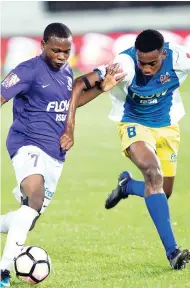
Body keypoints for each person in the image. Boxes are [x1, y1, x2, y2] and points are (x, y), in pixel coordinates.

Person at [0, 22, 125, 287]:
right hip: (27, 143)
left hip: (55, 154)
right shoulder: (28, 71)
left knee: (27, 218)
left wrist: (101, 89)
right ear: (43, 45)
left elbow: (72, 101)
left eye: (66, 52)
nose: (61, 56)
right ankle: (2, 273)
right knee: (34, 198)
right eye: (56, 50)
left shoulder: (66, 70)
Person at [61, 29, 190, 270]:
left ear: (164, 53)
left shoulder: (180, 57)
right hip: (134, 123)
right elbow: (79, 84)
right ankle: (173, 252)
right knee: (153, 173)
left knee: (163, 191)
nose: (147, 68)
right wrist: (69, 125)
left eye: (153, 63)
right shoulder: (125, 65)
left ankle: (127, 186)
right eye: (143, 62)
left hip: (168, 126)